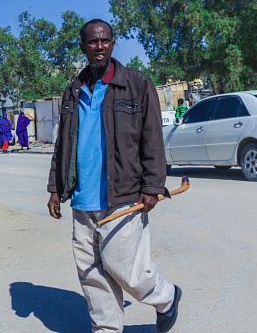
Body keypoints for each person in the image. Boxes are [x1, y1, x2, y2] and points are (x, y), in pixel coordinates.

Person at [46, 19, 181, 333]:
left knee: (125, 268)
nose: (99, 47)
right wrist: (55, 187)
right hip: (82, 199)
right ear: (83, 46)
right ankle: (107, 328)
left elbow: (152, 138)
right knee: (92, 273)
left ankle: (166, 297)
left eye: (105, 40)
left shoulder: (135, 83)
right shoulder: (73, 90)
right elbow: (63, 143)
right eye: (92, 42)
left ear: (113, 43)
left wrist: (153, 186)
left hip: (123, 195)